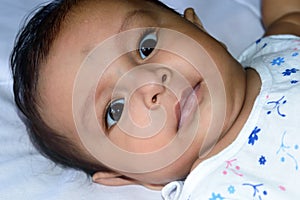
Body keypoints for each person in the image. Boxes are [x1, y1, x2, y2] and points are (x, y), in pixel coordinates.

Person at [10, 0, 300, 196]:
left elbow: (287, 13)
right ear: (124, 176)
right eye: (114, 110)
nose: (149, 83)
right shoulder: (217, 189)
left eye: (146, 47)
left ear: (197, 28)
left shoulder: (277, 47)